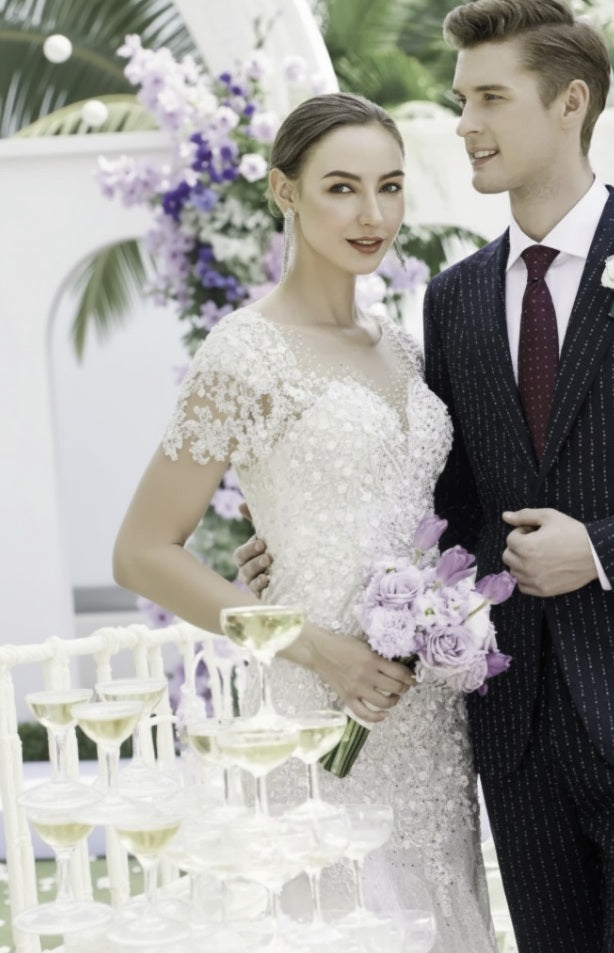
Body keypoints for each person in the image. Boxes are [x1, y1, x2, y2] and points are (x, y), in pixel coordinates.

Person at [239, 2, 614, 950]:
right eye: (459, 98)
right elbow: (453, 500)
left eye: (488, 98)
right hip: (514, 725)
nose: (463, 122)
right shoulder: (458, 295)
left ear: (568, 104)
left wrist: (600, 549)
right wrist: (306, 539)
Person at [113, 91, 498, 952]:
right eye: (341, 188)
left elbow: (410, 509)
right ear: (285, 192)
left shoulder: (398, 344)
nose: (372, 214)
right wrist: (314, 645)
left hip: (425, 714)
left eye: (391, 187)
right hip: (317, 699)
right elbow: (141, 551)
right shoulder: (244, 352)